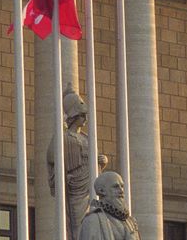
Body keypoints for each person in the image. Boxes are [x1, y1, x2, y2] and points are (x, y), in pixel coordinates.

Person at [48, 88, 107, 240]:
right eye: (82, 116)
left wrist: (101, 162)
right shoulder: (64, 136)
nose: (85, 119)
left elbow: (91, 161)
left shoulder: (87, 137)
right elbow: (51, 157)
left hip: (89, 184)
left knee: (94, 220)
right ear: (74, 116)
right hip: (75, 187)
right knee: (78, 223)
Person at [78, 171, 139, 240]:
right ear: (101, 191)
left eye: (122, 186)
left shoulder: (131, 222)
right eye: (115, 187)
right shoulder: (91, 221)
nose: (121, 191)